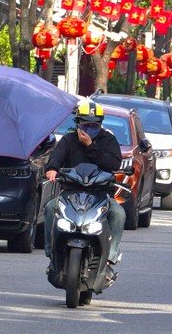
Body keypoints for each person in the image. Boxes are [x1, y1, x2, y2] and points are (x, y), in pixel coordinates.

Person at [44, 100, 126, 267]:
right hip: (71, 193)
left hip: (100, 194)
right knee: (50, 208)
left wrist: (91, 146)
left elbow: (113, 164)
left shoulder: (108, 140)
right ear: (78, 124)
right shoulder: (68, 140)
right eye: (86, 125)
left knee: (118, 213)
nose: (90, 129)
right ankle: (51, 251)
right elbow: (56, 157)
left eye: (94, 125)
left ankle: (111, 254)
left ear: (100, 125)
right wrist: (52, 169)